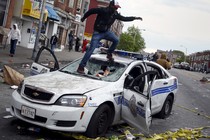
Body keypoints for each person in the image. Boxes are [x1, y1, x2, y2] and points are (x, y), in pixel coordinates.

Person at [77, 0, 143, 74]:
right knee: (91, 49)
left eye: (117, 8)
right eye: (115, 8)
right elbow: (91, 11)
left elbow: (124, 18)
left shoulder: (115, 14)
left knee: (116, 40)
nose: (116, 9)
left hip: (106, 32)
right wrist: (84, 18)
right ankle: (81, 67)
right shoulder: (103, 10)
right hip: (97, 33)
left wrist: (134, 18)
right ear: (111, 6)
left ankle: (109, 53)